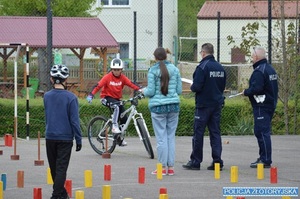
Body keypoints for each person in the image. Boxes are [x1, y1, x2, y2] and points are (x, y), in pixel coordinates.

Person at [182, 43, 226, 171]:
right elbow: (222, 86)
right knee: (215, 133)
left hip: (203, 105)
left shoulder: (202, 67)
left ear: (203, 53)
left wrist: (192, 87)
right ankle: (217, 161)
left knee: (198, 133)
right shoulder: (220, 67)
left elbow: (197, 86)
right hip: (216, 104)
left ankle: (196, 161)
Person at [142, 47, 182, 176]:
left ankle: (161, 168)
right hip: (173, 106)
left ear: (155, 58)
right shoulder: (175, 70)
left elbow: (151, 92)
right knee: (170, 137)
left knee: (161, 138)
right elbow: (179, 91)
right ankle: (170, 168)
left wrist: (143, 91)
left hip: (158, 108)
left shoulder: (153, 71)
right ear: (166, 56)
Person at [44, 64, 82, 199]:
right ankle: (56, 195)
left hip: (50, 136)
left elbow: (47, 116)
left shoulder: (46, 96)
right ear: (66, 80)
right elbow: (74, 121)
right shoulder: (71, 98)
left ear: (51, 79)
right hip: (65, 138)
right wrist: (78, 139)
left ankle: (62, 194)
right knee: (61, 169)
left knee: (54, 168)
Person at [86, 58, 141, 146]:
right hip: (106, 98)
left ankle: (119, 138)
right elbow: (98, 86)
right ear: (111, 69)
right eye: (114, 69)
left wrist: (141, 89)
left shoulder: (123, 78)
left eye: (118, 70)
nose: (116, 71)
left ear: (121, 70)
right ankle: (114, 126)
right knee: (116, 107)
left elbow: (131, 84)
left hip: (117, 99)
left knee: (124, 118)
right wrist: (91, 95)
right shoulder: (107, 77)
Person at [243, 46, 278, 168]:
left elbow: (257, 88)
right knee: (262, 131)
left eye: (252, 56)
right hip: (270, 104)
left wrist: (246, 92)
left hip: (261, 105)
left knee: (262, 132)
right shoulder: (270, 69)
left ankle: (266, 159)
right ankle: (263, 156)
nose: (252, 59)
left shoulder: (259, 71)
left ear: (256, 57)